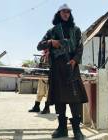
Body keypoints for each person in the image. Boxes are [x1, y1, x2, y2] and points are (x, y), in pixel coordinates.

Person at [37, 4, 88, 140]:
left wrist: (75, 60)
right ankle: (62, 129)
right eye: (63, 12)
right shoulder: (52, 31)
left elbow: (80, 47)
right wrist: (51, 42)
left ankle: (77, 130)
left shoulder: (76, 30)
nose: (66, 14)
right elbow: (39, 45)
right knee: (59, 99)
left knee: (75, 99)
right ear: (59, 14)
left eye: (68, 12)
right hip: (57, 68)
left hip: (71, 66)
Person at [29, 49, 50, 114]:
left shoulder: (53, 57)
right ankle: (36, 107)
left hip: (49, 77)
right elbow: (39, 66)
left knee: (48, 93)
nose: (45, 52)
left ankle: (47, 108)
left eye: (46, 51)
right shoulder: (42, 57)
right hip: (41, 76)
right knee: (39, 92)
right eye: (45, 51)